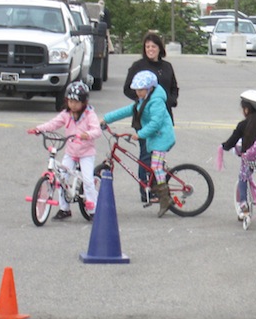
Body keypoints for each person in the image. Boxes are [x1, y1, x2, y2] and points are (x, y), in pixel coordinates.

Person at [104, 70, 176, 217]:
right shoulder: (144, 100)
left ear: (150, 89)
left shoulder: (156, 101)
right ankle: (159, 181)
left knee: (155, 166)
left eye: (141, 90)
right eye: (136, 90)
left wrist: (140, 135)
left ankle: (165, 199)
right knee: (154, 166)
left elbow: (156, 123)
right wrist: (106, 119)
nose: (138, 93)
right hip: (154, 137)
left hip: (162, 136)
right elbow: (127, 110)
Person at [27, 81, 101, 220]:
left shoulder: (90, 114)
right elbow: (53, 123)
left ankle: (94, 209)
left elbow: (97, 130)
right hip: (71, 151)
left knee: (88, 180)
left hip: (86, 153)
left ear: (84, 102)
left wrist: (87, 135)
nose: (73, 105)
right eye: (70, 101)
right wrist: (39, 129)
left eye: (76, 102)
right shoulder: (66, 114)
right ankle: (64, 209)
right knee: (62, 178)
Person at [123, 32, 180, 202]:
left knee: (158, 156)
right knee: (146, 155)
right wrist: (142, 101)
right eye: (147, 47)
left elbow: (174, 88)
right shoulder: (137, 66)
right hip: (144, 119)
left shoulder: (167, 67)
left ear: (159, 49)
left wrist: (171, 100)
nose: (150, 50)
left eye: (153, 46)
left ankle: (158, 187)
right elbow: (127, 89)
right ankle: (145, 190)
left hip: (163, 118)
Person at [221, 90, 256, 217]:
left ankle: (243, 203)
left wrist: (225, 146)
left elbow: (232, 141)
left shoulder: (243, 125)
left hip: (249, 159)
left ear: (247, 110)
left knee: (243, 178)